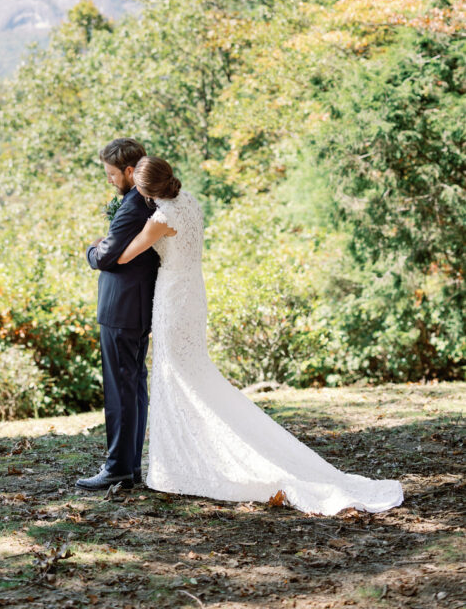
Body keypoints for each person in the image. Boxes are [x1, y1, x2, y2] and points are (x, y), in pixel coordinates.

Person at [116, 155, 404, 515]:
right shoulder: (188, 201)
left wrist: (102, 244)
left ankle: (179, 466)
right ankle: (185, 458)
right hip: (192, 292)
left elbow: (126, 255)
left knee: (176, 374)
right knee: (194, 374)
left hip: (174, 297)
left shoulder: (161, 218)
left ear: (145, 190)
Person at [75, 138, 165, 492]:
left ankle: (118, 467)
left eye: (112, 174)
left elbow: (105, 256)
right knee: (133, 387)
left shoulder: (132, 206)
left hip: (123, 308)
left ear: (130, 171)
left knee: (121, 390)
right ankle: (128, 465)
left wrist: (92, 249)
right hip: (134, 307)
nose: (110, 179)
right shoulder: (146, 200)